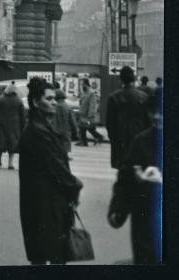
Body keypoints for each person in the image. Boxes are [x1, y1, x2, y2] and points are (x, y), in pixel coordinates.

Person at [18, 77, 84, 265]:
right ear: (35, 102)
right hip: (46, 205)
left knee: (42, 256)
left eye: (54, 98)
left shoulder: (41, 128)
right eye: (49, 99)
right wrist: (75, 185)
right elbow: (57, 167)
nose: (54, 102)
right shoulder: (38, 131)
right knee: (53, 256)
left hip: (44, 203)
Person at [108, 89, 163, 264]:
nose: (157, 117)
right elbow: (124, 179)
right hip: (144, 217)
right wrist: (118, 209)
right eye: (153, 111)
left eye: (162, 112)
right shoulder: (141, 141)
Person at [106, 65, 150, 169]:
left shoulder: (113, 97)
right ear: (134, 79)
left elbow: (110, 124)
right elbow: (148, 122)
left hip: (121, 141)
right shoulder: (144, 97)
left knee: (124, 171)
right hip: (139, 140)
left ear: (121, 79)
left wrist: (114, 141)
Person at [0, 81, 26, 169]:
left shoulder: (1, 99)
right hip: (14, 126)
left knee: (0, 144)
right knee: (12, 145)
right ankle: (10, 163)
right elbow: (23, 116)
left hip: (1, 125)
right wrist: (23, 127)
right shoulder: (18, 100)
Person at [76, 78, 104, 146]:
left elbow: (92, 105)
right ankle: (83, 141)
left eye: (82, 84)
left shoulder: (91, 93)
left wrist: (90, 115)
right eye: (81, 84)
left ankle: (97, 138)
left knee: (88, 128)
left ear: (86, 84)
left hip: (87, 115)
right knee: (83, 128)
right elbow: (81, 103)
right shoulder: (83, 93)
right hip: (82, 114)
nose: (81, 86)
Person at [53, 88, 79, 155]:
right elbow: (72, 120)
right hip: (66, 131)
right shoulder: (66, 106)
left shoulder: (56, 107)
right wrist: (76, 130)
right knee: (64, 149)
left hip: (57, 131)